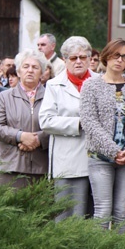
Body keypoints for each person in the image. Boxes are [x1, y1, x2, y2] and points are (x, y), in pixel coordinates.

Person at [80, 39, 125, 233]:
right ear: (106, 56)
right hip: (100, 157)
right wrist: (113, 150)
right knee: (102, 211)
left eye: (124, 56)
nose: (119, 60)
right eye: (115, 55)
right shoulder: (91, 85)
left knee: (121, 213)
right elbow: (89, 121)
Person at [39, 36, 98, 222]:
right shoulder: (54, 84)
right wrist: (79, 123)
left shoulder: (101, 82)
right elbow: (46, 121)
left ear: (90, 59)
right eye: (73, 58)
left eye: (83, 57)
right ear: (65, 60)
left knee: (95, 217)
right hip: (69, 161)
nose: (78, 61)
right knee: (68, 217)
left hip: (99, 159)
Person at [0, 49, 49, 189]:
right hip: (10, 166)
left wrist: (38, 139)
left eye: (35, 67)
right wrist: (20, 136)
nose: (30, 71)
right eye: (25, 66)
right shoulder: (5, 97)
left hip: (42, 166)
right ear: (18, 71)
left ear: (41, 73)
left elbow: (56, 125)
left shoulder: (51, 96)